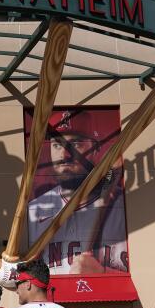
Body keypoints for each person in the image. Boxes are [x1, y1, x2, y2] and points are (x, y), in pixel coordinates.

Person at [27, 109, 127, 274]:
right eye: (57, 145)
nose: (65, 155)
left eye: (75, 144)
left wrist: (103, 273)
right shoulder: (32, 211)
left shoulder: (126, 207)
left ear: (95, 149)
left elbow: (152, 274)